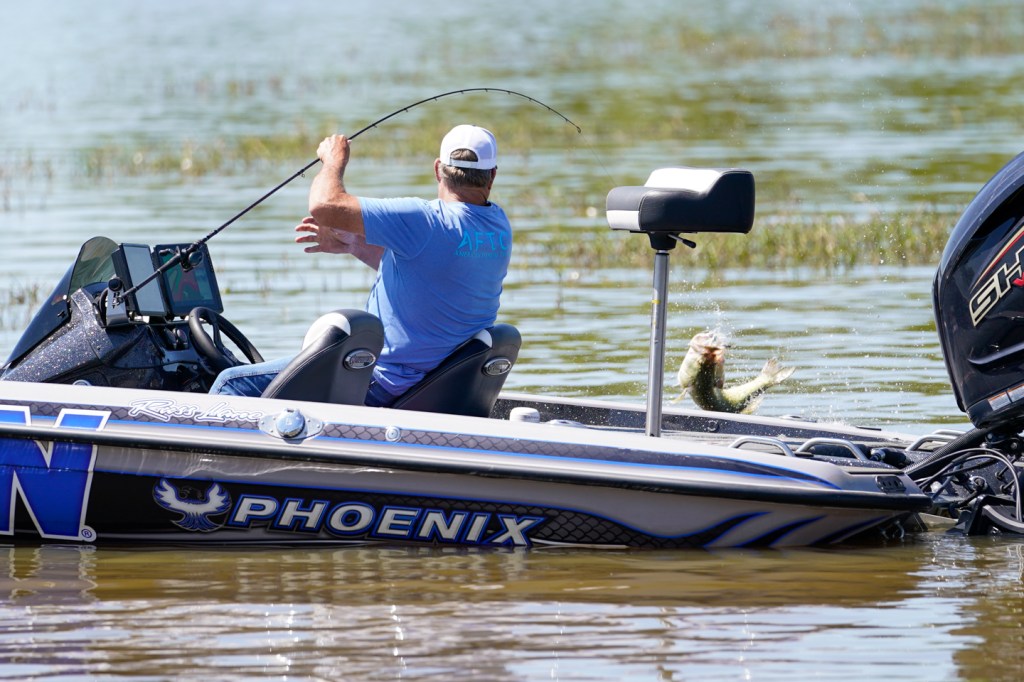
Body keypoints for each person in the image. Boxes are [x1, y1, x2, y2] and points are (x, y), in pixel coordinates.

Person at [209, 124, 512, 407]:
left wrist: (333, 161)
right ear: (492, 176)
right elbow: (430, 272)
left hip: (378, 385)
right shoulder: (498, 228)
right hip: (434, 388)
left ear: (437, 169)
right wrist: (355, 244)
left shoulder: (425, 220)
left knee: (229, 383)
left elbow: (324, 206)